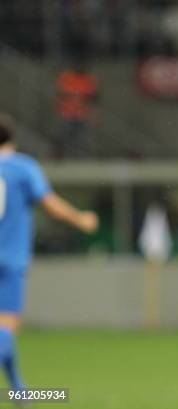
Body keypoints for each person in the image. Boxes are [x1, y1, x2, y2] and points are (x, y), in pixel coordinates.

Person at [0, 113, 98, 391]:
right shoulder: (22, 168)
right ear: (13, 140)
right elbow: (51, 206)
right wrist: (81, 219)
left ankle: (19, 390)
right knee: (6, 328)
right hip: (9, 261)